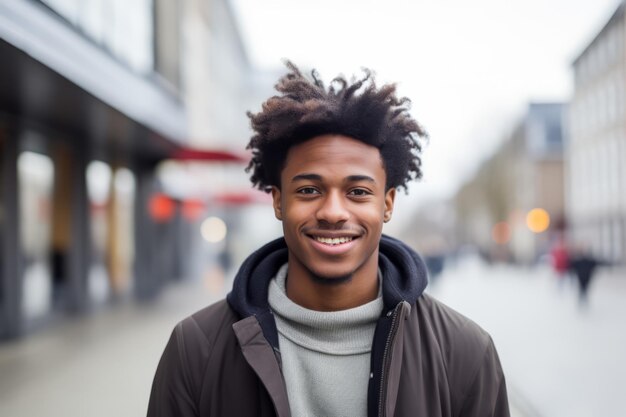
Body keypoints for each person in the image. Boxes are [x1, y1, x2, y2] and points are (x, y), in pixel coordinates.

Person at [147, 62, 510, 417]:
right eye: (308, 189)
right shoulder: (197, 349)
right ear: (278, 200)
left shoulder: (464, 353)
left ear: (387, 203)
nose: (333, 212)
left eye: (357, 192)